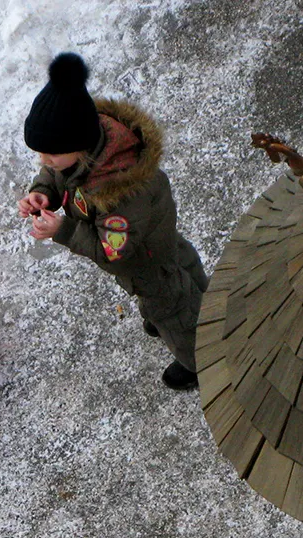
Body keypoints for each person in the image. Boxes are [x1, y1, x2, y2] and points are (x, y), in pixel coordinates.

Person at [18, 52, 208, 391]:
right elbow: (60, 173)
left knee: (171, 307)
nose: (45, 161)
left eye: (51, 155)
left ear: (79, 145)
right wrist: (44, 191)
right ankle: (195, 300)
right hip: (154, 237)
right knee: (178, 266)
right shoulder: (88, 147)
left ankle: (199, 360)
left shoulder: (119, 194)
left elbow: (111, 251)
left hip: (142, 257)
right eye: (42, 154)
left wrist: (62, 230)